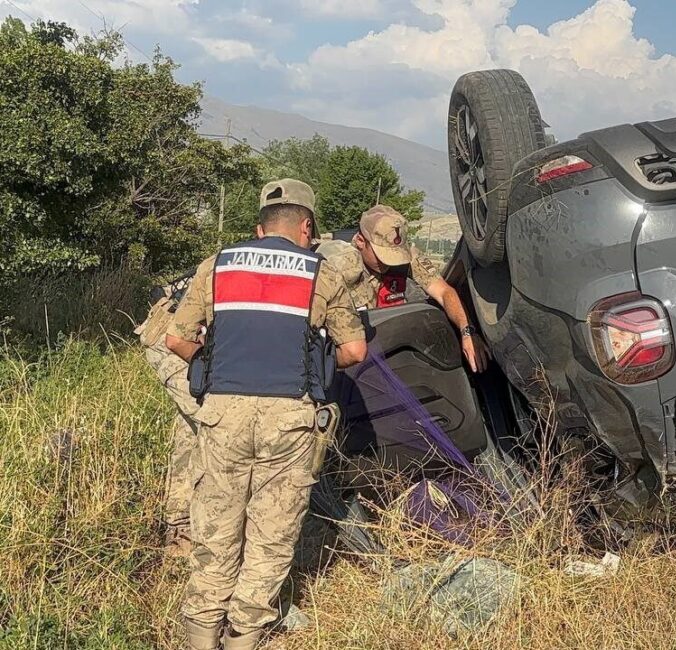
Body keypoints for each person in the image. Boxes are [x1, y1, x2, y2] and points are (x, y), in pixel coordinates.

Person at [166, 179, 367, 650]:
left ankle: (200, 634)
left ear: (259, 228)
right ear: (306, 226)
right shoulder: (321, 273)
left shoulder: (217, 265)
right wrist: (316, 363)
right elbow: (355, 350)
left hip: (223, 414)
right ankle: (245, 634)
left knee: (216, 523)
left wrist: (216, 365)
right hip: (289, 418)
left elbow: (176, 339)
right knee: (271, 532)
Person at [314, 204, 488, 372]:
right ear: (360, 241)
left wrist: (467, 331)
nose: (389, 262)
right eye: (382, 254)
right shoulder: (335, 264)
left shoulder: (406, 257)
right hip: (349, 355)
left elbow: (444, 292)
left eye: (395, 254)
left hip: (391, 348)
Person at [133, 275, 199, 557]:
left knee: (193, 429)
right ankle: (182, 528)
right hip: (171, 338)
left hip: (191, 337)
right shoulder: (327, 262)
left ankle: (183, 527)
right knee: (212, 425)